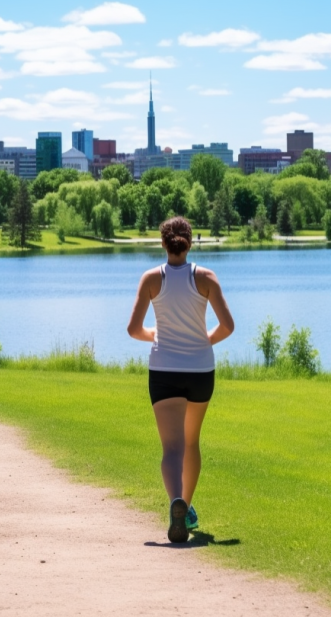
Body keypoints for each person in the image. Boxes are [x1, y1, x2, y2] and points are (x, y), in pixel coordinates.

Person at [127, 216, 235, 543]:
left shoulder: (151, 279)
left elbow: (133, 330)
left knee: (171, 447)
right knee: (191, 442)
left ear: (163, 243)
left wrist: (155, 335)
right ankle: (185, 508)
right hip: (200, 371)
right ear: (190, 242)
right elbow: (227, 326)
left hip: (164, 371)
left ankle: (176, 501)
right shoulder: (206, 277)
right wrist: (204, 341)